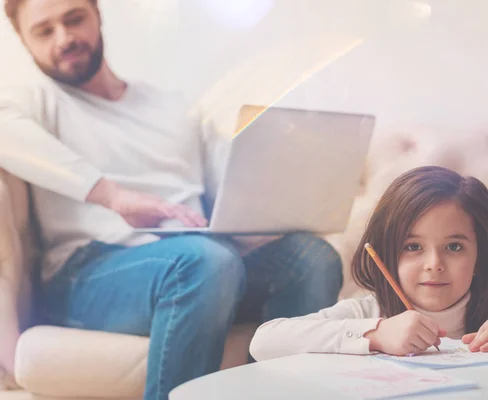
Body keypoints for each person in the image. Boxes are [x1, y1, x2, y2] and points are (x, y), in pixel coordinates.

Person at [0, 0, 343, 398]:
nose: (64, 38)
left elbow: (231, 183)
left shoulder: (174, 106)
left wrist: (270, 207)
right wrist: (114, 196)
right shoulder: (38, 101)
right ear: (24, 41)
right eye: (44, 30)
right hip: (90, 275)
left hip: (207, 263)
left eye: (74, 19)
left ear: (97, 16)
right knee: (204, 261)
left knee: (312, 258)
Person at [249, 166, 488, 361]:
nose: (434, 264)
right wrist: (376, 335)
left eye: (454, 247)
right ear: (387, 254)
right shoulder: (365, 311)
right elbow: (263, 342)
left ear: (481, 256)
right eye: (413, 247)